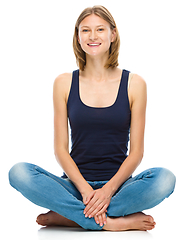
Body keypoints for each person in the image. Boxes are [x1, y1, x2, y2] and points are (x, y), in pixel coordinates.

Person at [8, 5, 176, 231]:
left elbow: (137, 152)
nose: (93, 36)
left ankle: (70, 216)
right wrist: (86, 191)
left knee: (165, 179)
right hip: (75, 187)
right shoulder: (64, 82)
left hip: (119, 188)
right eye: (85, 30)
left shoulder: (135, 84)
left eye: (100, 29)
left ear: (113, 34)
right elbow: (60, 150)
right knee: (18, 172)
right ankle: (111, 222)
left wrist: (107, 191)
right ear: (77, 37)